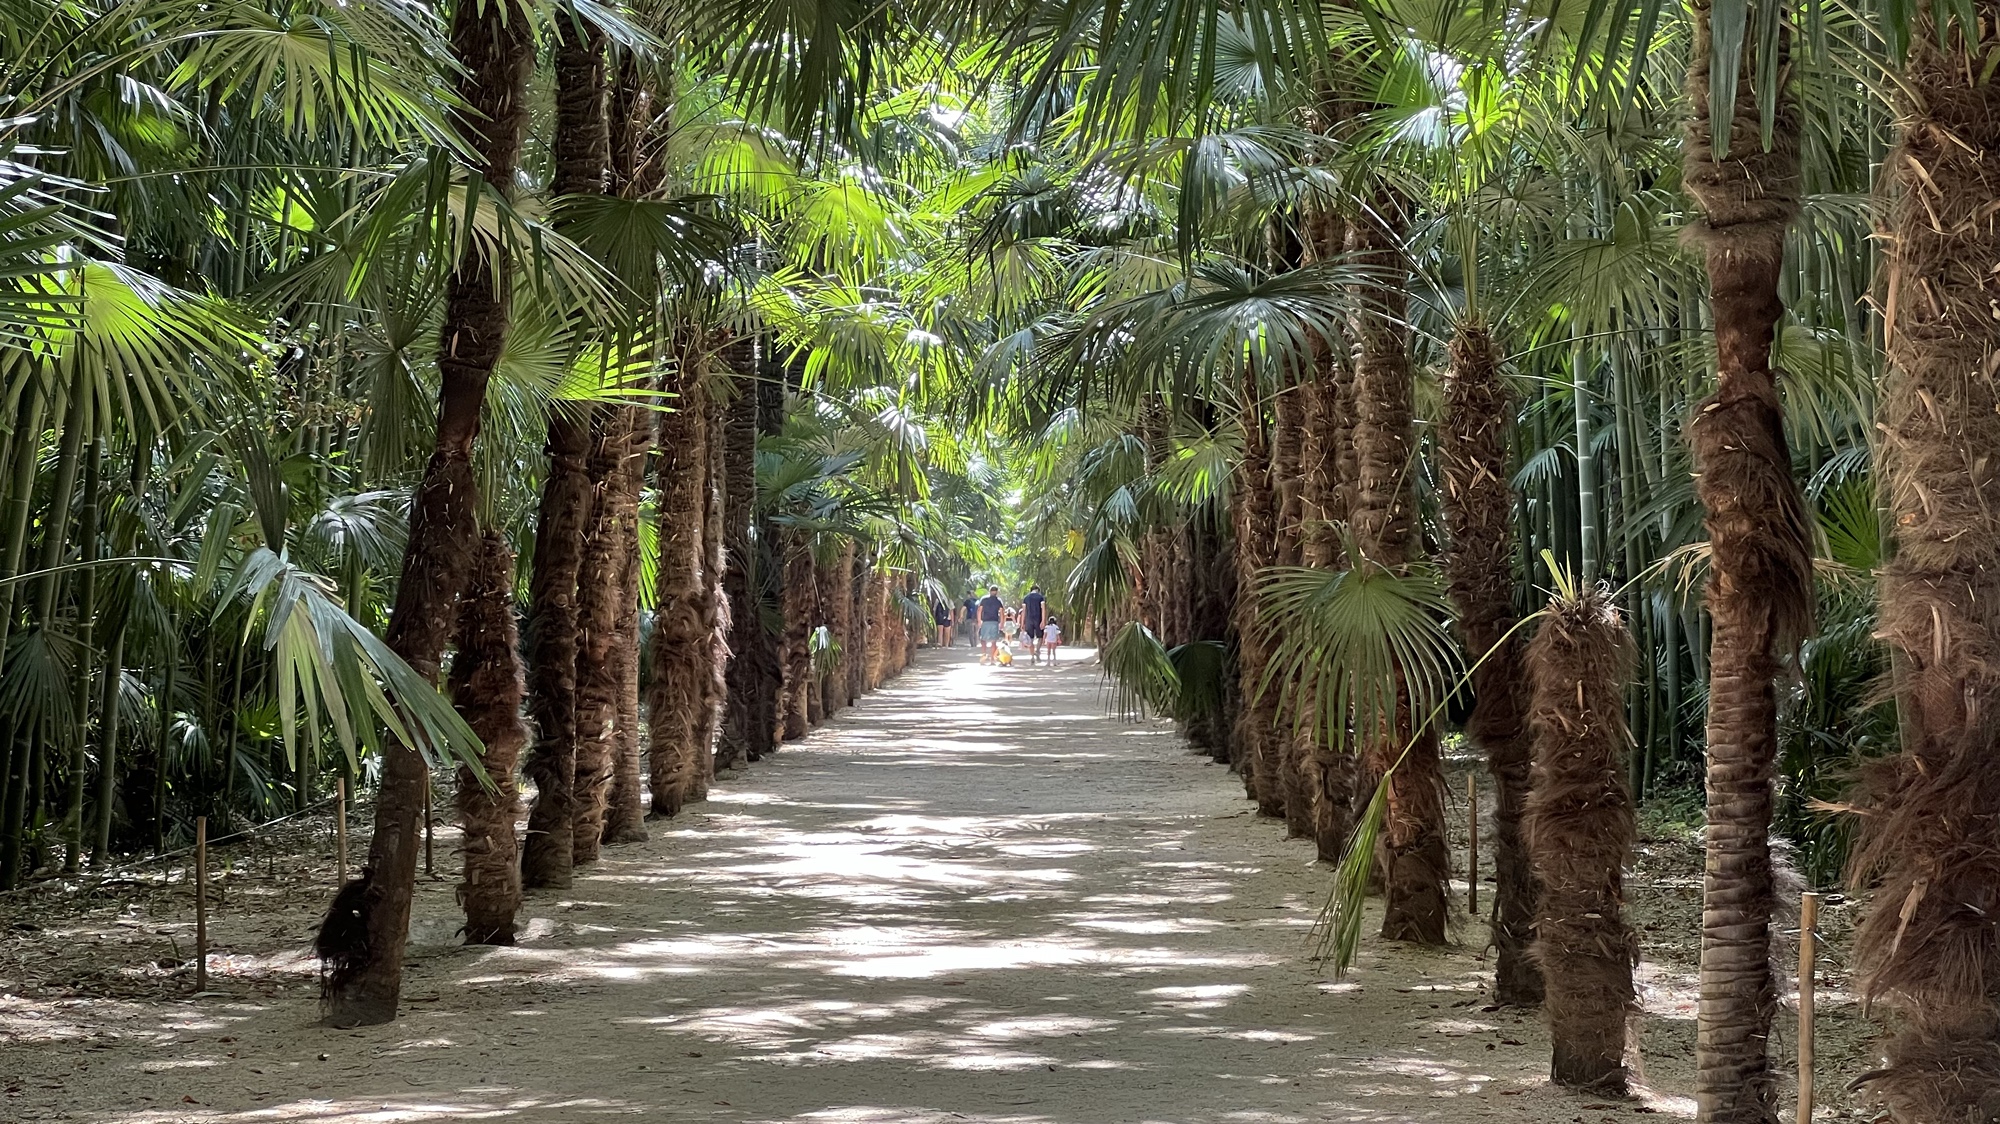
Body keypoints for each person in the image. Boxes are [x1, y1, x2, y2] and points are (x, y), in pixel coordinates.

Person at [977, 585, 1005, 664]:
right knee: (993, 641)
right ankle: (992, 659)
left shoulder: (984, 599)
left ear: (990, 591)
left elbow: (979, 610)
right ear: (997, 592)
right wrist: (1002, 623)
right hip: (994, 622)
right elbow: (1002, 612)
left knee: (983, 640)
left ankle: (984, 656)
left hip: (985, 622)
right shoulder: (998, 601)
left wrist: (979, 620)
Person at [1021, 584, 1047, 664]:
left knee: (1030, 639)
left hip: (1029, 620)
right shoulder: (1040, 597)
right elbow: (1043, 609)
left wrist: (1022, 622)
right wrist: (1043, 621)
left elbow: (1023, 611)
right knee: (1040, 637)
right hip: (1038, 619)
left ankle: (1032, 656)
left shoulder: (1026, 598)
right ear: (1038, 590)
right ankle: (1037, 650)